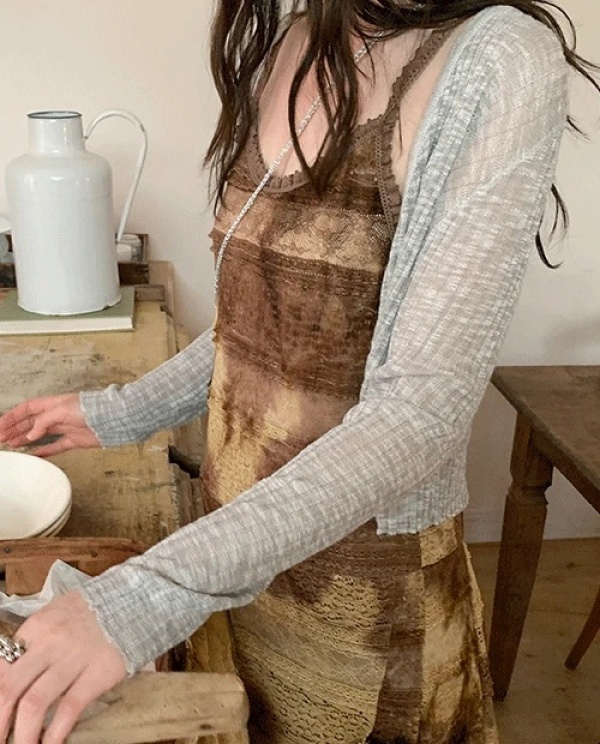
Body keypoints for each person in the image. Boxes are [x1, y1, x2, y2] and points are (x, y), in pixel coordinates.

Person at [0, 2, 597, 743]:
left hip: (360, 617)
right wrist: (119, 412)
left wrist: (144, 598)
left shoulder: (499, 60)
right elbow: (262, 328)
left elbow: (419, 414)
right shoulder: (297, 38)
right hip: (232, 564)